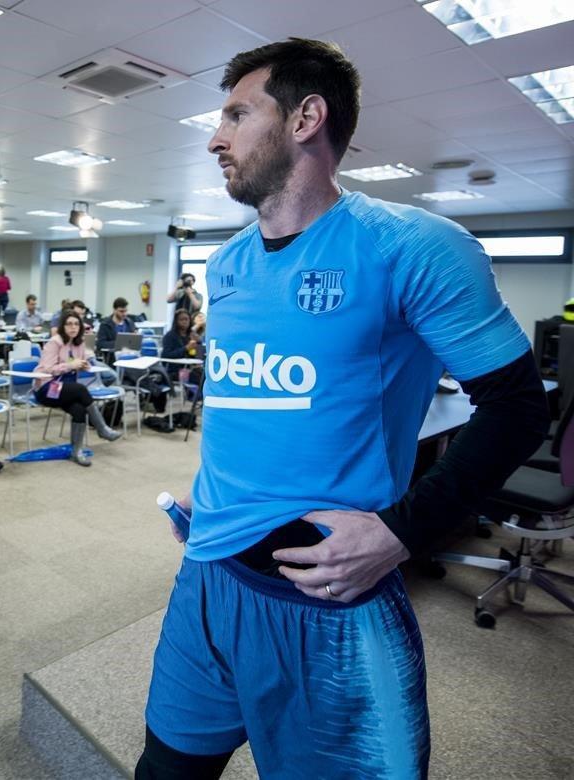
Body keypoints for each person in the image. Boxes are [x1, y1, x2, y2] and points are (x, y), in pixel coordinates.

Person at [136, 39, 549, 780]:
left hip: (328, 603)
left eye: (236, 112)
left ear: (306, 118)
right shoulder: (227, 264)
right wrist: (215, 481)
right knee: (165, 772)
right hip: (208, 580)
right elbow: (247, 395)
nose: (215, 137)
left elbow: (517, 409)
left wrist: (404, 531)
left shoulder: (412, 246)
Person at [34, 311, 121, 467]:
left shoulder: (79, 343)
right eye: (69, 324)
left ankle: (76, 452)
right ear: (63, 326)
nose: (73, 327)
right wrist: (70, 365)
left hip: (65, 388)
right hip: (47, 388)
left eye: (76, 324)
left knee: (79, 409)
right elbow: (46, 369)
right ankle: (102, 429)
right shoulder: (54, 342)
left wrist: (82, 366)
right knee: (81, 390)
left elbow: (74, 365)